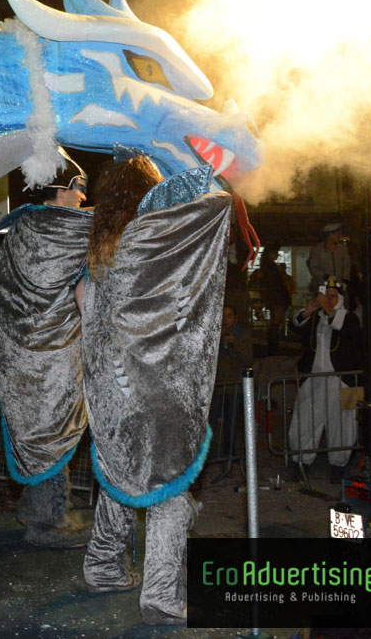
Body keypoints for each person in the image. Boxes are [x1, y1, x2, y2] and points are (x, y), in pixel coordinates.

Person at [76, 150, 233, 626]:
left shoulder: (101, 247)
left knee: (121, 470)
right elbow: (219, 200)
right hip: (155, 382)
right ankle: (162, 596)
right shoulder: (160, 234)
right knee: (168, 483)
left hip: (108, 385)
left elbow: (83, 301)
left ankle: (104, 566)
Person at [0, 148, 93, 548]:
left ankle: (34, 509)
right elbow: (84, 292)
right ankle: (48, 522)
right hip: (50, 352)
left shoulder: (23, 226)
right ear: (61, 190)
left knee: (33, 428)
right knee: (53, 429)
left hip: (16, 351)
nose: (83, 197)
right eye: (79, 188)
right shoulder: (69, 229)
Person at [286, 276, 361, 482]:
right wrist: (309, 310)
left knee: (344, 424)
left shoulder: (350, 318)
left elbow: (342, 327)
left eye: (333, 296)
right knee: (306, 421)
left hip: (344, 382)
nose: (328, 300)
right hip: (314, 379)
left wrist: (327, 307)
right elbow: (295, 326)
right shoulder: (315, 318)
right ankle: (301, 462)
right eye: (325, 296)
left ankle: (339, 465)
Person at [210, 304, 251, 460]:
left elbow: (248, 360)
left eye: (229, 316)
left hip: (234, 386)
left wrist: (235, 344)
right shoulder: (213, 332)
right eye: (223, 315)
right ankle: (208, 453)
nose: (225, 320)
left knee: (231, 422)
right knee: (211, 421)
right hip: (218, 386)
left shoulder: (243, 335)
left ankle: (230, 454)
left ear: (235, 318)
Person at [249, 247, 292, 355]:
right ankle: (273, 347)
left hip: (274, 296)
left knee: (274, 322)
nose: (277, 255)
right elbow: (274, 283)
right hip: (278, 297)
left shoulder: (266, 266)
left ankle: (273, 346)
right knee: (275, 323)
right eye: (275, 253)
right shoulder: (270, 267)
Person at [307, 221, 351, 293]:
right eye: (338, 234)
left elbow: (347, 266)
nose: (340, 237)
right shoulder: (317, 250)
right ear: (330, 235)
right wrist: (325, 276)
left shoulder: (343, 249)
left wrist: (345, 280)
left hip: (340, 288)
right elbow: (313, 268)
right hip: (323, 287)